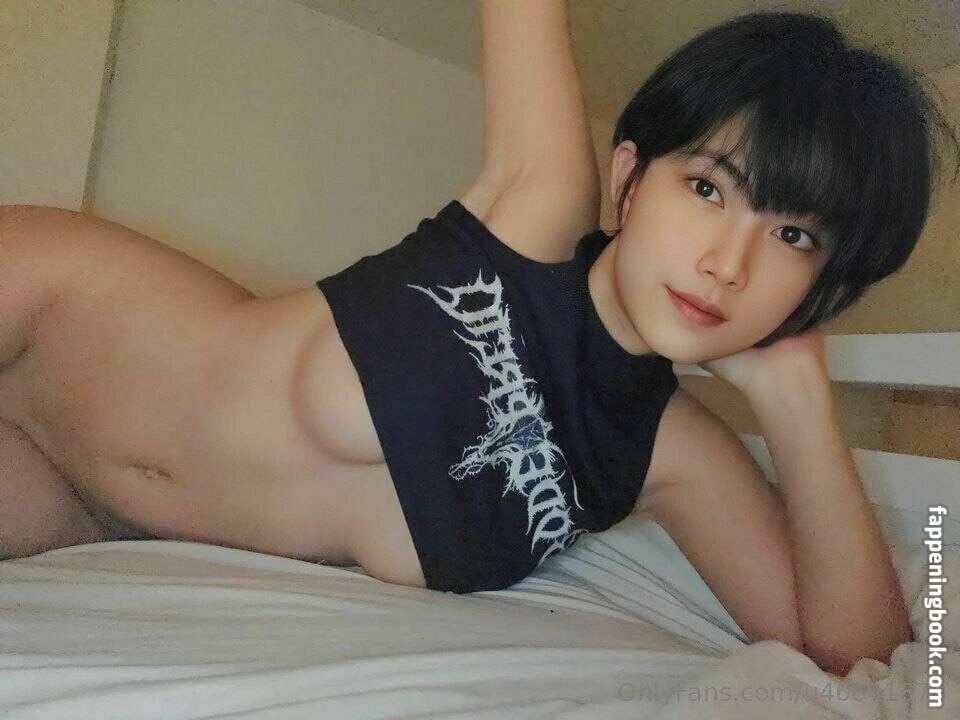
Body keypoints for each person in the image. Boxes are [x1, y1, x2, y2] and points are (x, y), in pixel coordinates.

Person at [0, 0, 955, 676]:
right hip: (55, 313)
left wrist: (799, 404)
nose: (728, 262)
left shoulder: (672, 457)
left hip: (78, 516)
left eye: (794, 237)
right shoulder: (536, 213)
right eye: (707, 188)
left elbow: (862, 661)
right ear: (628, 180)